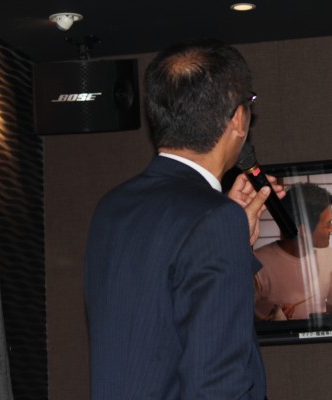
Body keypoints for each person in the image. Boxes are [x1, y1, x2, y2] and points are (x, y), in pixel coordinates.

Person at [84, 39, 277, 400]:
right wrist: (225, 228)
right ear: (238, 118)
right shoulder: (215, 218)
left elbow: (154, 314)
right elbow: (218, 383)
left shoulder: (112, 206)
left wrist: (236, 242)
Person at [254, 182, 332, 320]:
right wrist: (275, 319)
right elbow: (241, 319)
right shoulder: (257, 264)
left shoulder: (328, 255)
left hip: (319, 334)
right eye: (328, 224)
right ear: (303, 231)